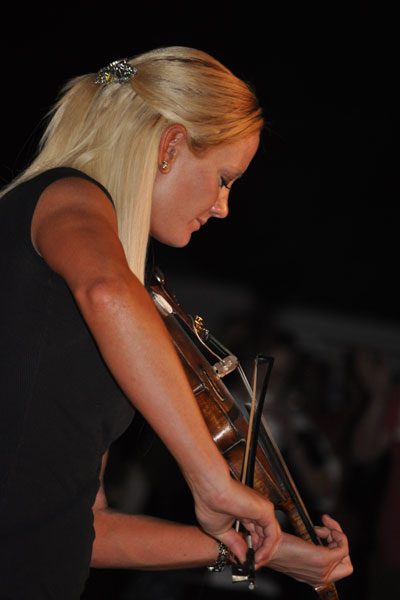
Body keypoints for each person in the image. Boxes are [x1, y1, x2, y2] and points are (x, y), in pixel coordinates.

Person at [0, 47, 352, 599]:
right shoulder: (68, 196)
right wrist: (210, 477)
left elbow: (88, 527)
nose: (222, 207)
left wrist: (266, 549)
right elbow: (107, 291)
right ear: (169, 147)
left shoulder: (116, 283)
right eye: (224, 179)